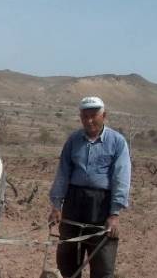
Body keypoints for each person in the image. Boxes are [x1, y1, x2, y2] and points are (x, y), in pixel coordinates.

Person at [48, 96, 131, 278]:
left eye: (94, 116)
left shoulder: (117, 142)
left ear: (104, 116)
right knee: (67, 261)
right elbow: (62, 173)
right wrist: (56, 205)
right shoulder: (73, 140)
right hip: (73, 204)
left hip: (101, 207)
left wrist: (114, 214)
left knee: (103, 265)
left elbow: (121, 178)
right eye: (85, 116)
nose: (89, 120)